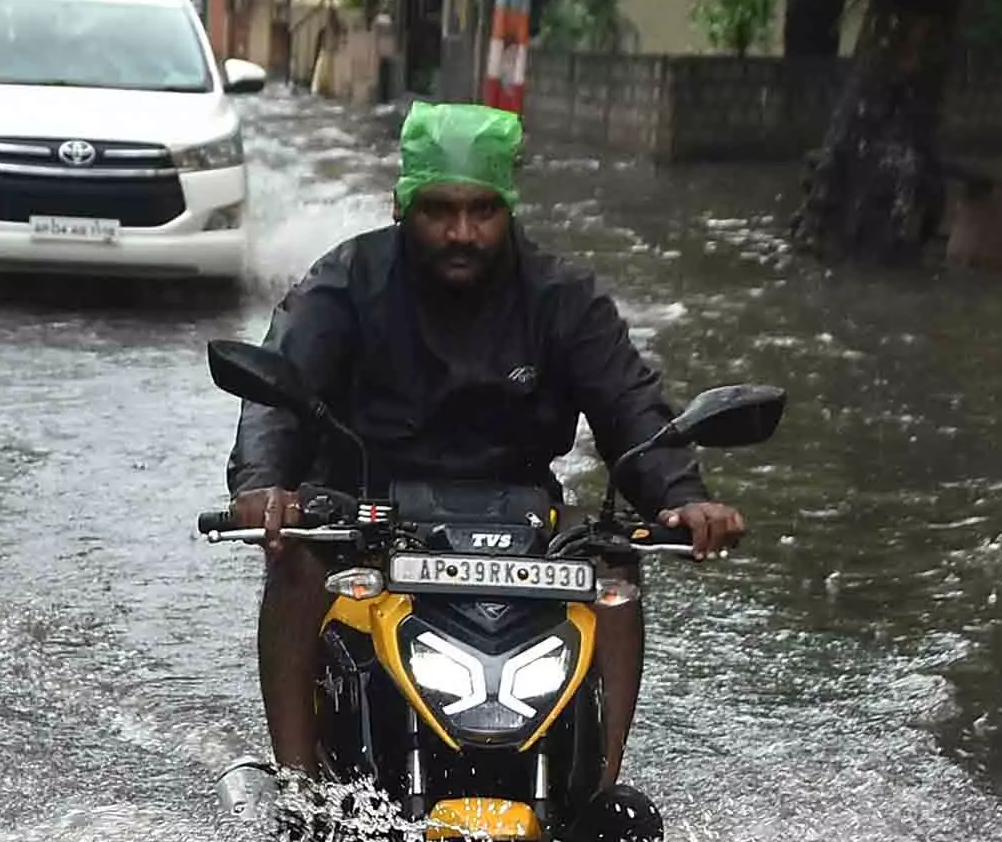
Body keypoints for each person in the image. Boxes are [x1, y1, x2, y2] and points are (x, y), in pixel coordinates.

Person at [227, 101, 746, 790]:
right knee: (294, 561)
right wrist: (263, 486)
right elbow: (279, 392)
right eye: (440, 210)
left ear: (511, 208)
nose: (462, 232)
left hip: (525, 525)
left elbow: (632, 406)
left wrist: (684, 499)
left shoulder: (563, 297)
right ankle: (295, 786)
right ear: (400, 204)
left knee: (617, 568)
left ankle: (592, 786)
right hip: (366, 512)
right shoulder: (343, 284)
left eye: (483, 211)